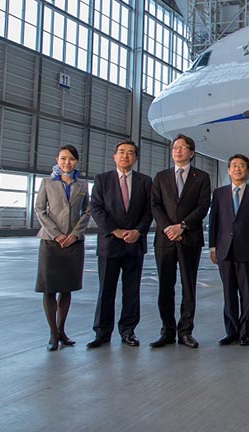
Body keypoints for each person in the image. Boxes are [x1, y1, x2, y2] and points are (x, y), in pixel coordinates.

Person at [87, 140, 153, 349]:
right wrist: (114, 230)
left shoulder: (145, 181)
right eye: (122, 152)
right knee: (106, 290)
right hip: (110, 243)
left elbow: (149, 210)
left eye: (130, 153)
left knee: (131, 291)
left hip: (134, 243)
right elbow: (96, 208)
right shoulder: (102, 180)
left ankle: (128, 331)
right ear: (114, 156)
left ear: (136, 158)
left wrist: (138, 231)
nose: (125, 156)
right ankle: (102, 332)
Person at [149, 134, 211, 349]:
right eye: (175, 147)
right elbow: (155, 205)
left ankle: (186, 331)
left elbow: (203, 206)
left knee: (188, 286)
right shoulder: (161, 177)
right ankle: (167, 331)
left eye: (182, 147)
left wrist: (182, 226)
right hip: (165, 239)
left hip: (189, 238)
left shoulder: (201, 177)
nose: (177, 150)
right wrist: (168, 228)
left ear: (191, 152)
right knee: (165, 287)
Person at [34, 145, 90, 351]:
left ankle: (61, 330)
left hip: (73, 242)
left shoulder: (82, 184)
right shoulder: (47, 182)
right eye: (63, 158)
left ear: (77, 161)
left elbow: (87, 211)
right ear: (57, 160)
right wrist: (56, 234)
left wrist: (75, 234)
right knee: (49, 288)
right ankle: (53, 334)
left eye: (71, 159)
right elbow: (40, 210)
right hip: (51, 241)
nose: (67, 162)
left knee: (67, 288)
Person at [208, 154, 249, 346]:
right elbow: (214, 222)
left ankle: (244, 332)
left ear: (247, 171)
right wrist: (212, 247)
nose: (237, 169)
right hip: (224, 250)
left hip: (247, 250)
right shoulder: (219, 193)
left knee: (246, 294)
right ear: (229, 170)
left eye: (241, 166)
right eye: (234, 165)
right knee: (228, 292)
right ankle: (231, 331)